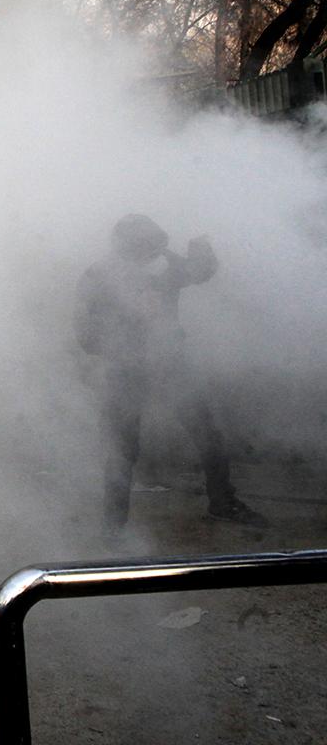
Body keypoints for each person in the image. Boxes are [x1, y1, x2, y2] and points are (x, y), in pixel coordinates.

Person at [74, 213, 267, 533]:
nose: (154, 255)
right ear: (127, 248)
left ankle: (222, 502)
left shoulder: (162, 264)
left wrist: (202, 250)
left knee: (207, 435)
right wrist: (127, 335)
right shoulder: (98, 276)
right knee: (122, 449)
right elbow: (85, 336)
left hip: (171, 363)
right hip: (126, 370)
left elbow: (199, 272)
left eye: (156, 248)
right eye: (146, 249)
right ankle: (113, 525)